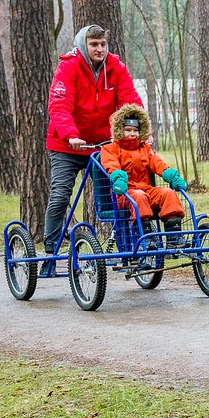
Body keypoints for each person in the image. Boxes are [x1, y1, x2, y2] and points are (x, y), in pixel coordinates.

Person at [43, 24, 142, 259]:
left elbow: (130, 101)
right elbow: (59, 105)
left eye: (102, 44)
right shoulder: (68, 67)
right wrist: (71, 135)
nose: (99, 49)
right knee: (60, 194)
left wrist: (142, 129)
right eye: (94, 44)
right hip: (66, 145)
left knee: (118, 191)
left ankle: (126, 243)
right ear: (83, 45)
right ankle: (51, 247)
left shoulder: (116, 68)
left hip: (101, 146)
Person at [100, 104, 188, 245]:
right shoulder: (110, 149)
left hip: (145, 190)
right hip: (124, 193)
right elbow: (111, 165)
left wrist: (171, 175)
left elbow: (157, 163)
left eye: (135, 130)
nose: (132, 134)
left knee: (168, 193)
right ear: (118, 130)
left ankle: (174, 237)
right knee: (139, 197)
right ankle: (145, 237)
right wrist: (118, 178)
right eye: (128, 130)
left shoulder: (144, 148)